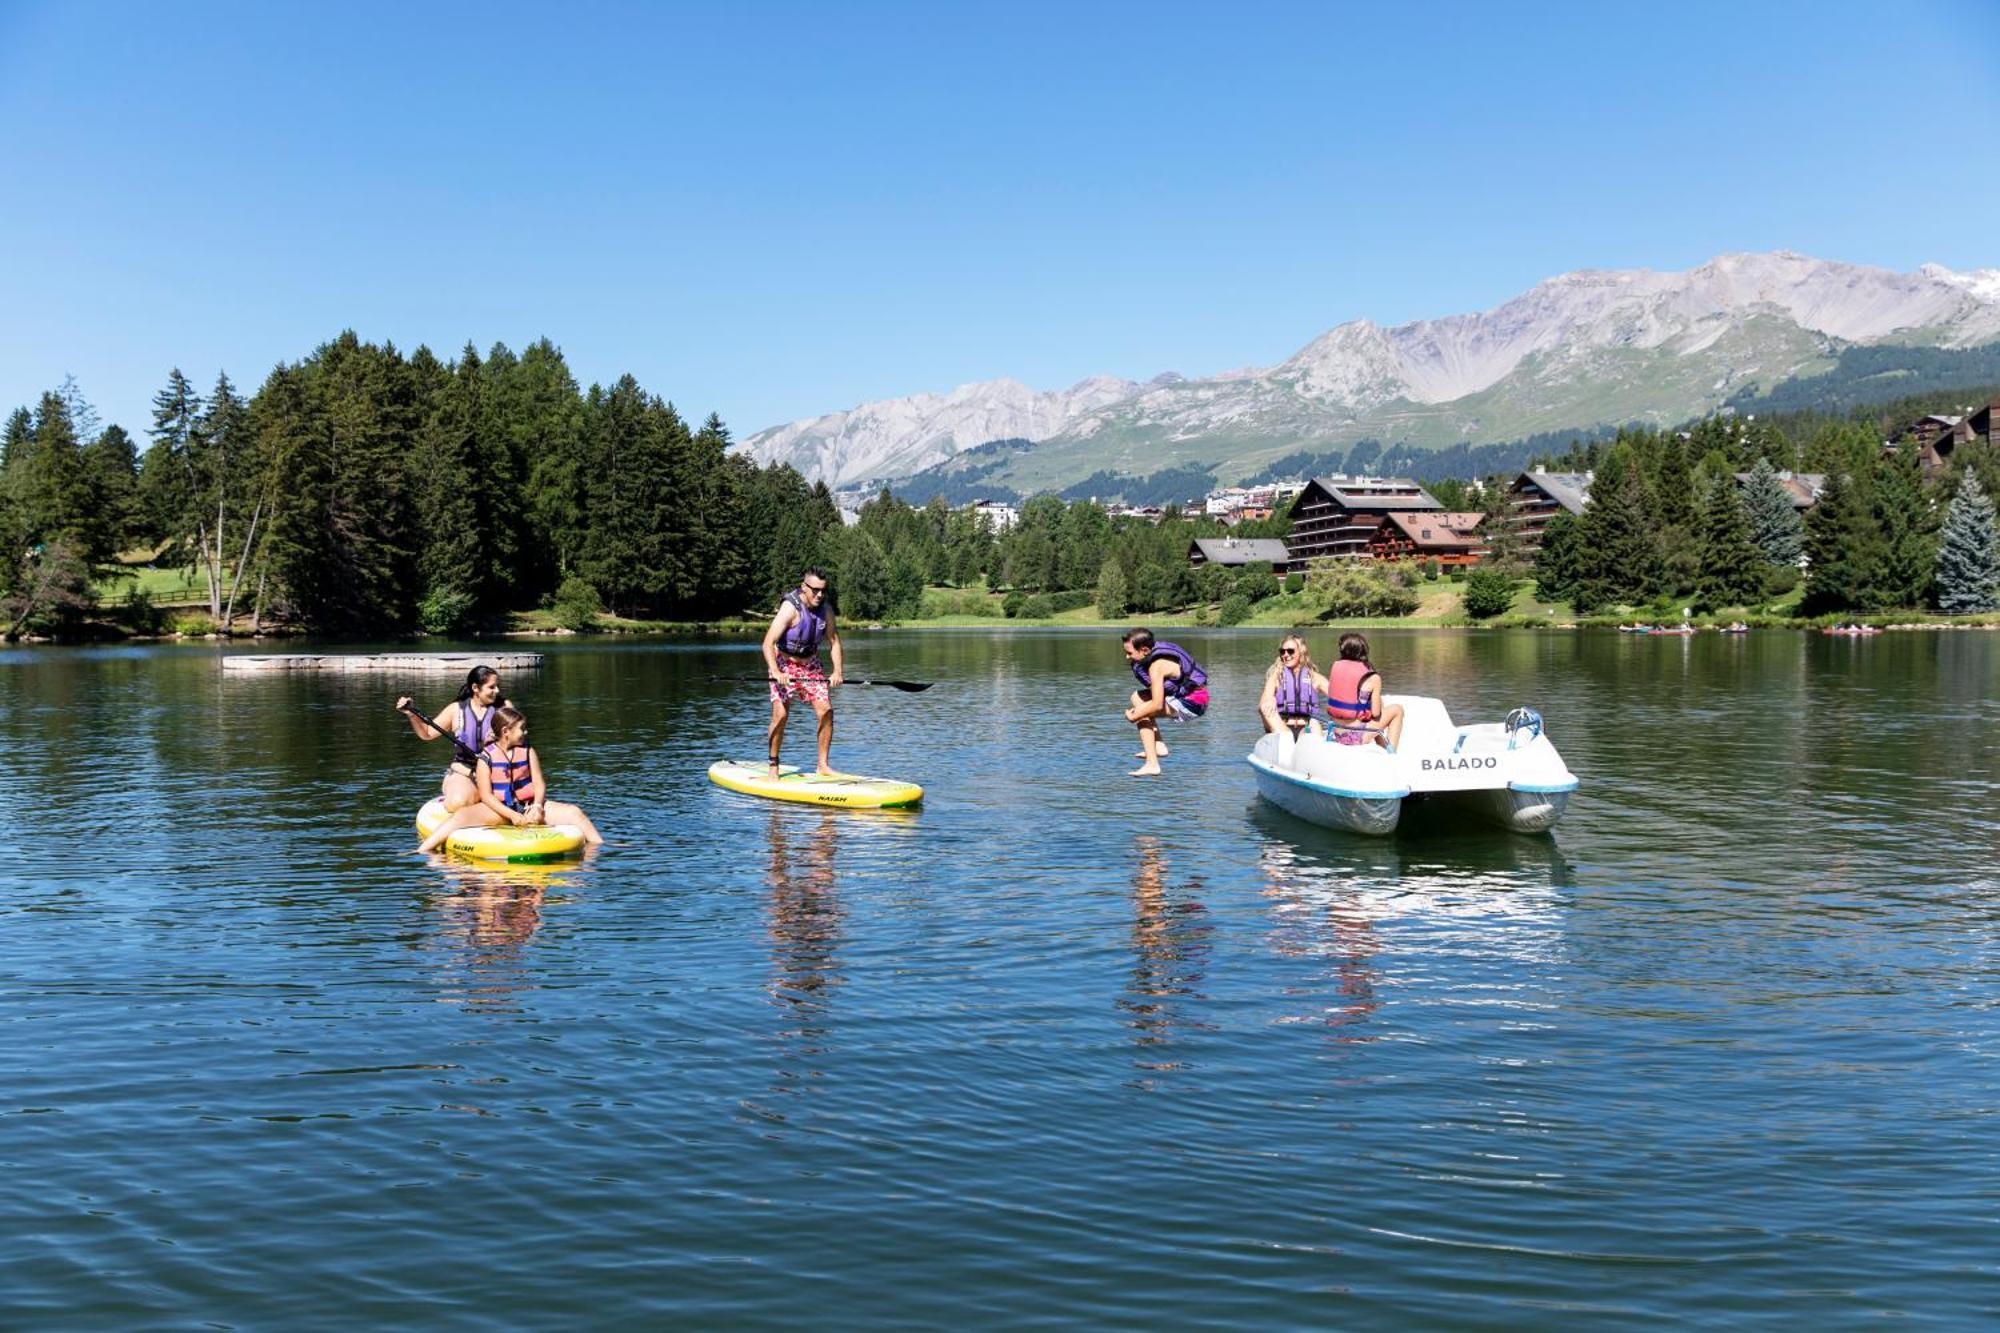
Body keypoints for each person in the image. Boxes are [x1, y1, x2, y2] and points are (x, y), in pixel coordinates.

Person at [417, 705, 603, 853]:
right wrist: (512, 815)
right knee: (459, 817)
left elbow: (539, 783)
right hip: (498, 810)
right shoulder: (485, 758)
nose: (526, 732)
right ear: (506, 731)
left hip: (528, 805)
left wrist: (537, 806)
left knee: (574, 812)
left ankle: (599, 848)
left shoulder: (528, 751)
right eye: (522, 729)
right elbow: (487, 796)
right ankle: (422, 851)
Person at [762, 568, 845, 777]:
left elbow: (834, 642)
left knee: (826, 711)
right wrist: (775, 671)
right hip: (783, 663)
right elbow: (767, 643)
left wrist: (837, 671)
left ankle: (823, 766)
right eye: (815, 590)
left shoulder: (825, 610)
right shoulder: (790, 608)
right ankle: (773, 765)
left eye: (823, 591)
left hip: (810, 665)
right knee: (780, 715)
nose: (819, 595)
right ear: (804, 587)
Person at [397, 665, 508, 812]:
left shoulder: (505, 708)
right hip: (465, 771)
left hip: (497, 771)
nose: (497, 691)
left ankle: (483, 800)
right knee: (458, 803)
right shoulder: (456, 710)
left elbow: (519, 740)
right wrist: (411, 714)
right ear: (475, 688)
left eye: (497, 686)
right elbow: (427, 733)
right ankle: (467, 796)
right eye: (492, 687)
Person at [1121, 628, 1209, 777]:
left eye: (1130, 653)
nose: (1127, 657)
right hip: (1186, 696)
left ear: (1144, 650)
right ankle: (1159, 745)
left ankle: (1152, 764)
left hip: (1194, 702)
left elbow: (1157, 705)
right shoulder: (1152, 657)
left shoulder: (1157, 666)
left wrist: (1133, 717)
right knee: (1137, 698)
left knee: (1141, 712)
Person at [1325, 632, 1404, 751]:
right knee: (1397, 710)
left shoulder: (1335, 667)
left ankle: (1383, 748)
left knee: (1378, 704)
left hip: (1336, 733)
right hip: (1355, 737)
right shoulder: (1373, 678)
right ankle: (1391, 754)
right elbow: (1376, 714)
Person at [1258, 634, 1327, 738]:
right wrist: (1270, 698)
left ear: (1301, 652)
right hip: (1282, 728)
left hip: (1306, 727)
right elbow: (1263, 703)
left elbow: (1338, 697)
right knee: (1265, 706)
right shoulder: (1276, 676)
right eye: (1282, 651)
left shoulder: (1313, 677)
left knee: (1315, 724)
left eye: (1290, 651)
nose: (1285, 654)